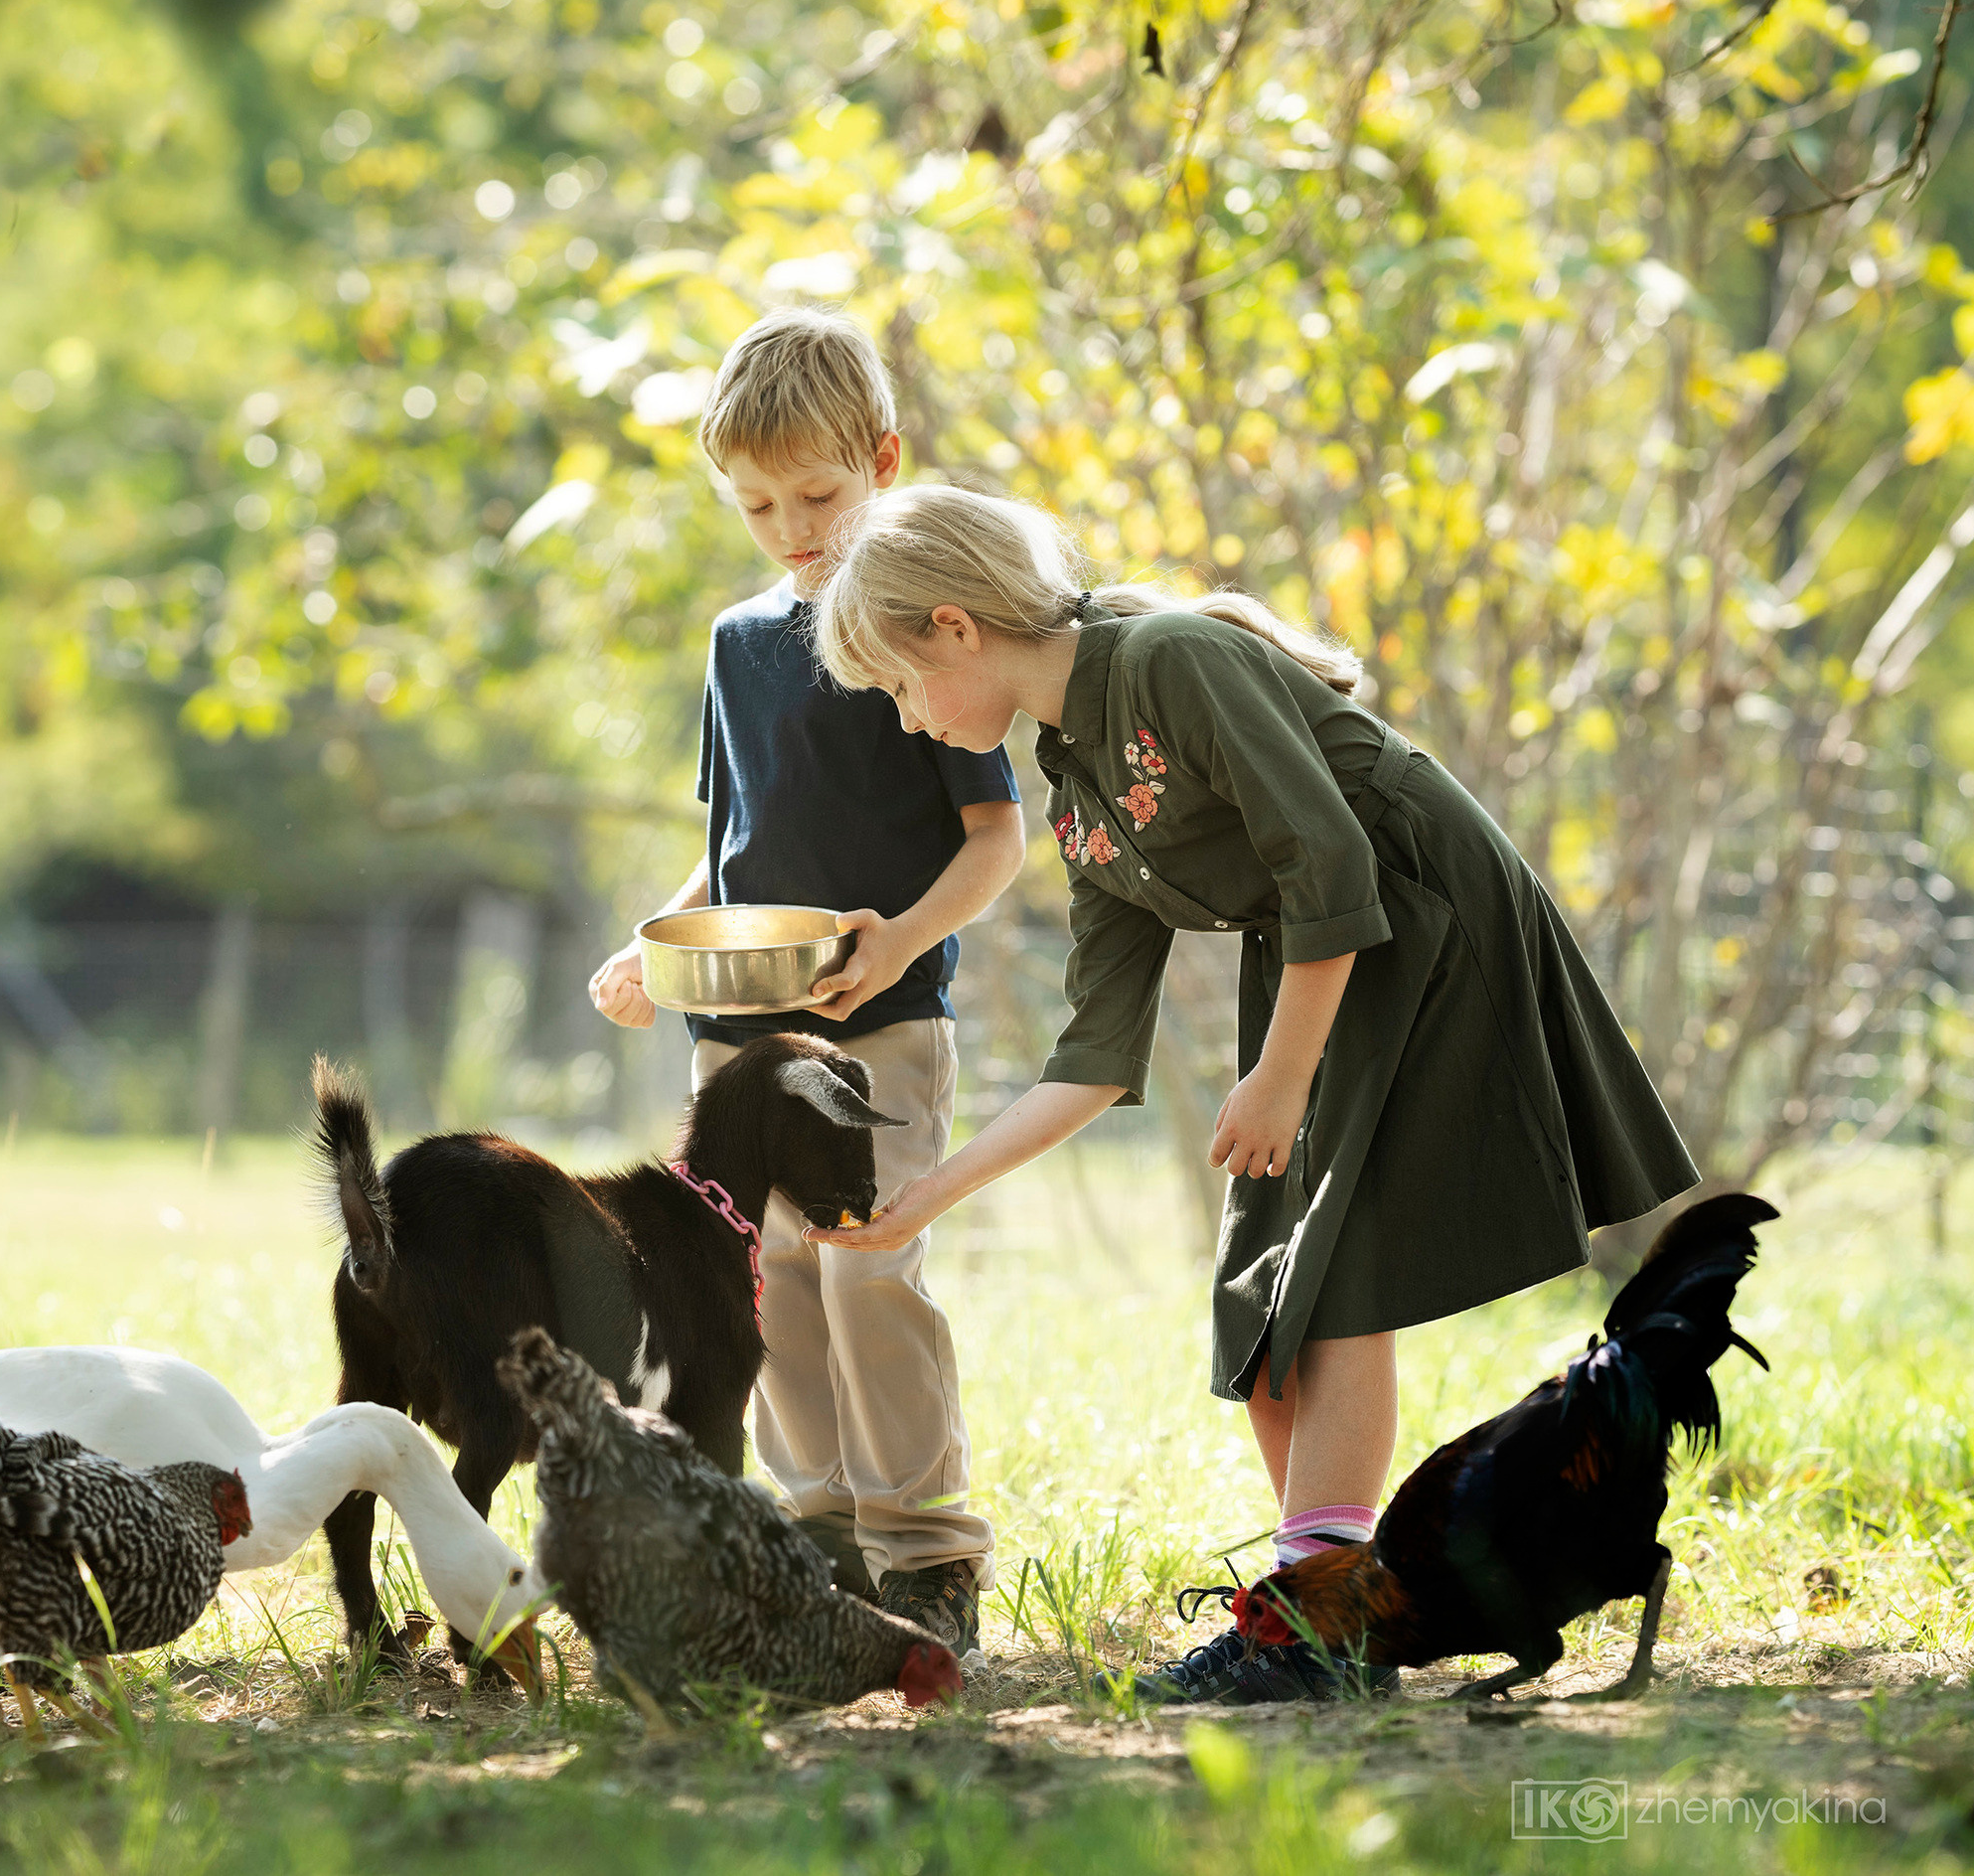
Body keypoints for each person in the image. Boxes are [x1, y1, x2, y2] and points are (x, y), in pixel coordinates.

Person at [802, 483, 1700, 1704]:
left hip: (1420, 919)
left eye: (900, 688)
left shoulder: (1171, 659)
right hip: (1322, 961)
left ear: (953, 628)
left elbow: (1330, 862)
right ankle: (1317, 1610)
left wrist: (1279, 1077)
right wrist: (924, 1198)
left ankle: (1319, 1637)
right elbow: (1096, 1050)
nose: (907, 720)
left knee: (1333, 1275)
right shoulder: (1077, 790)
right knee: (1261, 1297)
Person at [586, 308, 1025, 1653]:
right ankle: (820, 1527)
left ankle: (925, 1544)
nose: (792, 526)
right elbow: (731, 850)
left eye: (821, 494)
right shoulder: (735, 645)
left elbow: (996, 840)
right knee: (760, 1270)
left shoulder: (924, 629)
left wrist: (898, 939)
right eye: (759, 502)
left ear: (885, 460)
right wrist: (656, 942)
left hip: (876, 1027)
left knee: (866, 1263)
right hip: (739, 1037)